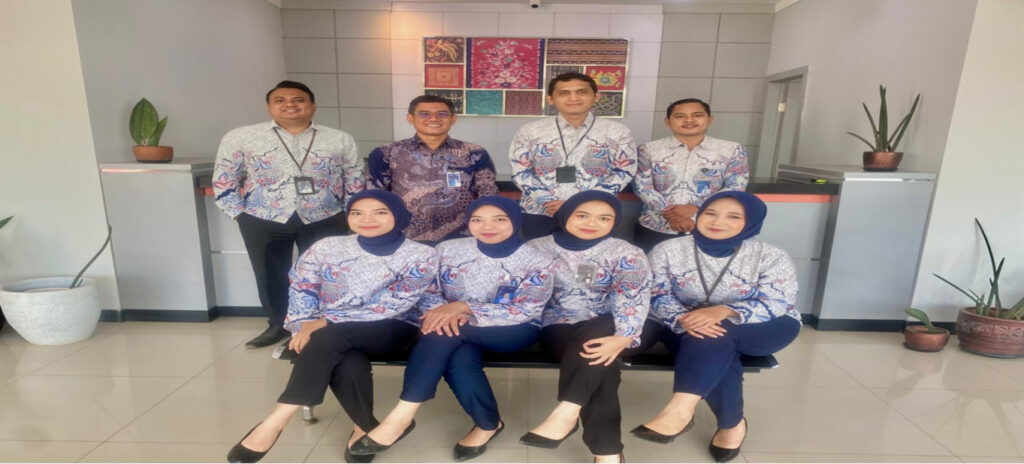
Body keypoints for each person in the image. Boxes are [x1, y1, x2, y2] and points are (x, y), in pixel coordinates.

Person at [225, 190, 437, 464]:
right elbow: (302, 287)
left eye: (379, 212)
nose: (367, 219)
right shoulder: (327, 246)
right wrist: (303, 325)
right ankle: (365, 427)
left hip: (393, 327)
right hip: (330, 333)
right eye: (357, 213)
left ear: (398, 216)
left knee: (332, 335)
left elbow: (394, 303)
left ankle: (277, 419)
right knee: (345, 357)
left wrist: (324, 322)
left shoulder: (421, 254)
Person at [350, 196, 556, 462]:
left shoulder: (538, 260)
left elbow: (527, 309)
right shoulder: (448, 249)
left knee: (440, 333)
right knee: (458, 354)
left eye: (499, 219)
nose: (487, 226)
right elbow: (428, 289)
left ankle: (402, 416)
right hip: (453, 326)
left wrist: (462, 308)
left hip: (513, 328)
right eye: (477, 220)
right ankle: (488, 424)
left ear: (515, 221)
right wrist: (442, 311)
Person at [629, 191, 800, 463]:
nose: (718, 221)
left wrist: (725, 311)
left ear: (751, 222)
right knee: (711, 339)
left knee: (715, 333)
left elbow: (778, 300)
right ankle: (731, 425)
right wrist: (681, 318)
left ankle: (680, 410)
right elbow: (655, 293)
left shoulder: (770, 255)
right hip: (686, 322)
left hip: (764, 324)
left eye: (733, 217)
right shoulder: (668, 250)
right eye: (710, 213)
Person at [213, 80, 365, 348]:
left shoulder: (339, 138)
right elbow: (224, 176)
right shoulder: (241, 137)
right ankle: (278, 325)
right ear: (269, 106)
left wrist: (351, 215)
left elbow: (354, 178)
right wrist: (238, 214)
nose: (289, 105)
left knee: (324, 274)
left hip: (325, 216)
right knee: (269, 274)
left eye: (298, 99)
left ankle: (318, 325)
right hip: (262, 216)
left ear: (313, 106)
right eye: (280, 100)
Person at [518, 191, 650, 463]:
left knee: (596, 342)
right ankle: (607, 451)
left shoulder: (626, 252)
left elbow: (630, 297)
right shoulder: (535, 248)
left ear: (614, 222)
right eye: (582, 215)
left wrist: (623, 336)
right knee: (599, 360)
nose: (592, 223)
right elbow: (528, 293)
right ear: (566, 215)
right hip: (559, 325)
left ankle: (567, 413)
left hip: (614, 324)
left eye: (604, 218)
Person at [509, 73, 637, 239]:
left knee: (590, 256)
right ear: (550, 99)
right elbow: (520, 171)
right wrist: (547, 200)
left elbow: (624, 171)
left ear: (596, 96)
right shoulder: (529, 131)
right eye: (564, 93)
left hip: (594, 214)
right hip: (540, 211)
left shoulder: (618, 132)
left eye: (581, 92)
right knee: (539, 255)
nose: (573, 98)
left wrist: (581, 203)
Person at [368, 95, 500, 245]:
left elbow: (488, 193)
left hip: (461, 237)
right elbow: (375, 196)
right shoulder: (387, 153)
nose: (433, 118)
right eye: (424, 114)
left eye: (442, 114)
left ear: (453, 119)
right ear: (410, 118)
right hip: (403, 238)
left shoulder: (474, 153)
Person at [631, 98, 749, 253]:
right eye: (680, 116)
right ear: (667, 121)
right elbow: (641, 185)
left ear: (710, 119)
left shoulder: (732, 150)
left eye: (697, 115)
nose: (689, 120)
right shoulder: (648, 149)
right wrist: (670, 214)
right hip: (655, 226)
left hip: (709, 226)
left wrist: (695, 208)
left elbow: (735, 187)